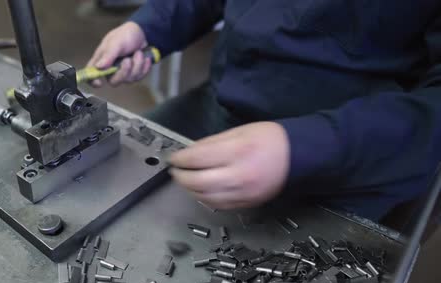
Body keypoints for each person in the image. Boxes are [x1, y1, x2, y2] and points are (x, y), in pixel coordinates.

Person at [87, 1, 441, 221]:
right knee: (99, 189)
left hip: (347, 158)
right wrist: (150, 26)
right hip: (221, 103)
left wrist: (303, 149)